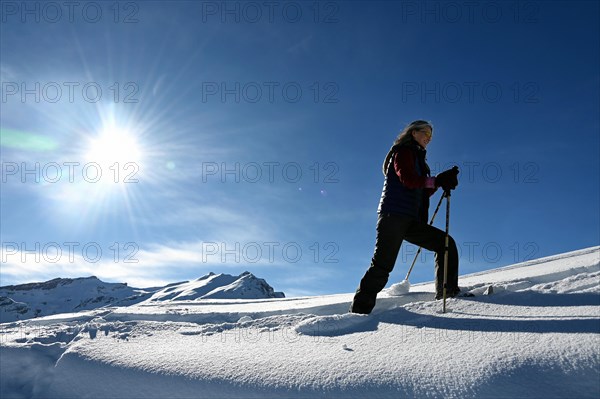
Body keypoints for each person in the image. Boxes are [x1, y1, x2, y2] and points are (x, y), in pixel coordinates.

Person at [350, 120, 460, 314]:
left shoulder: (420, 161)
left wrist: (440, 182)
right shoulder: (403, 152)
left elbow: (421, 191)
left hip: (411, 220)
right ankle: (359, 312)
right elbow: (408, 180)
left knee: (445, 244)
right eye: (425, 132)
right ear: (413, 132)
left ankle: (448, 292)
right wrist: (436, 180)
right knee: (382, 267)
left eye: (431, 136)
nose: (428, 137)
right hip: (393, 216)